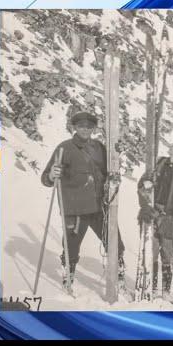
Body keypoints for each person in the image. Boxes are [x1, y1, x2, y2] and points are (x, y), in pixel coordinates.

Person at [41, 111, 126, 293]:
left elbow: (109, 170)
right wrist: (51, 175)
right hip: (75, 208)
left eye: (89, 127)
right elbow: (46, 179)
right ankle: (68, 277)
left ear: (94, 128)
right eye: (81, 126)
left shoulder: (99, 148)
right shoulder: (64, 148)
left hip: (99, 206)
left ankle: (119, 273)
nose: (85, 130)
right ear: (74, 127)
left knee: (114, 241)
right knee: (71, 247)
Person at [137, 138, 173, 304]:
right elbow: (142, 183)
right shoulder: (159, 163)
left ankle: (166, 291)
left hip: (170, 218)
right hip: (152, 213)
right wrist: (145, 194)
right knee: (152, 251)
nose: (172, 146)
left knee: (167, 254)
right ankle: (153, 288)